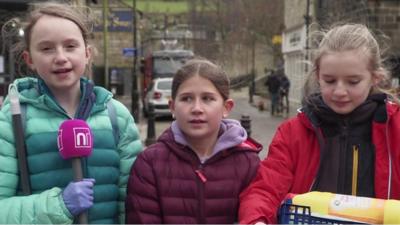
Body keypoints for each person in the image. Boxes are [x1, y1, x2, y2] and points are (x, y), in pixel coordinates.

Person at [239, 23, 400, 224]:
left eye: (353, 82)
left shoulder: (396, 129)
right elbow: (265, 188)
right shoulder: (292, 133)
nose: (340, 91)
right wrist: (257, 220)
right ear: (317, 76)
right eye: (330, 81)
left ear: (375, 77)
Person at [0, 2, 142, 224]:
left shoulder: (118, 116)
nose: (60, 57)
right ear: (30, 60)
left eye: (70, 46)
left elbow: (133, 202)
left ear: (87, 54)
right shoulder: (12, 120)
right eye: (46, 48)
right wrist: (59, 205)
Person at [125, 58, 262, 224]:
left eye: (207, 98)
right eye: (186, 99)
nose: (197, 108)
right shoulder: (150, 163)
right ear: (172, 107)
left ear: (226, 108)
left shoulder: (248, 162)